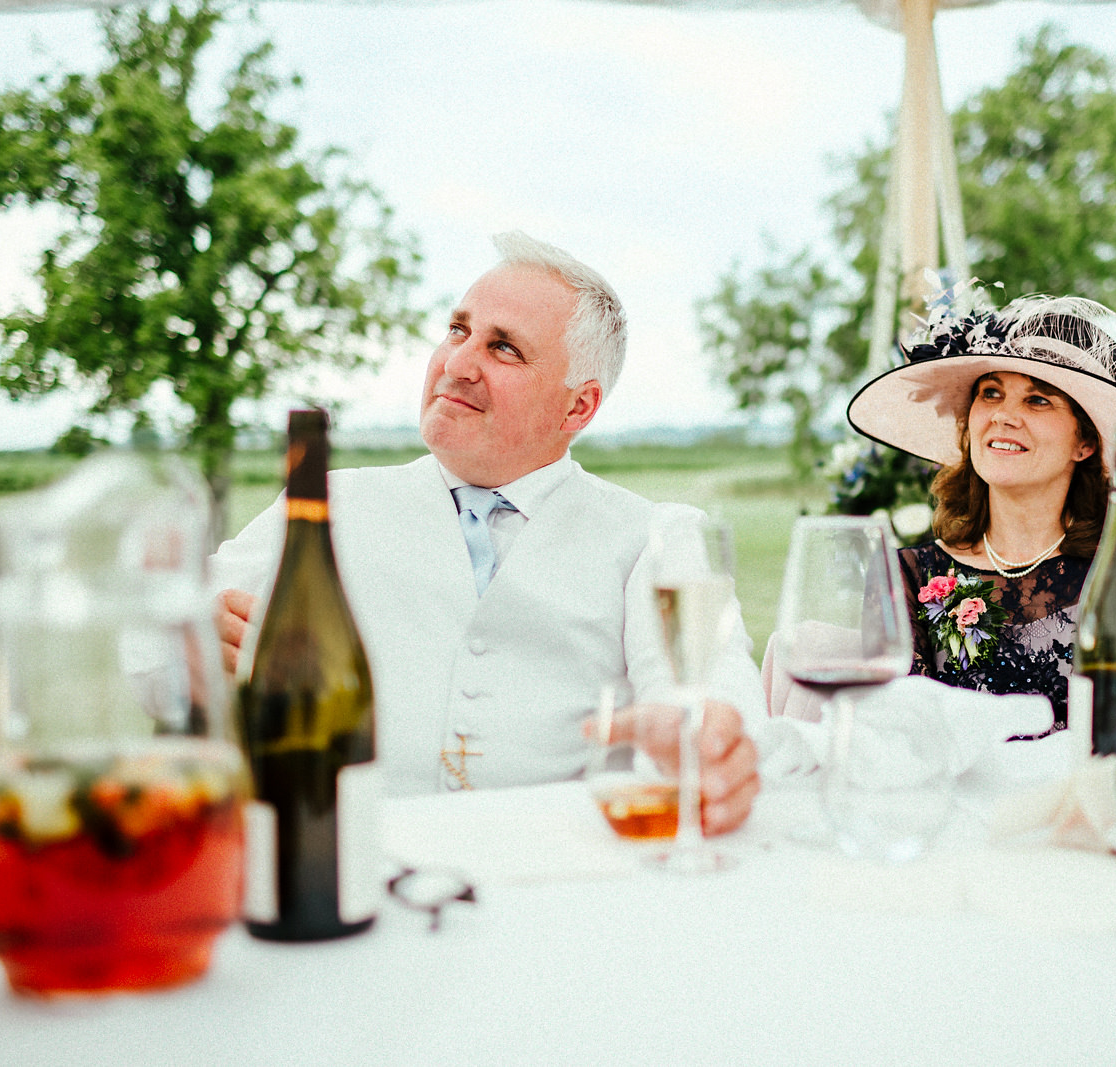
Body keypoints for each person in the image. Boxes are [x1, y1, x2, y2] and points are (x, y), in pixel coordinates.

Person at [211, 232, 762, 834]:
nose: (456, 364)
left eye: (504, 349)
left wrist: (710, 734)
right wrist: (195, 642)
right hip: (351, 861)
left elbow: (710, 687)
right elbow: (157, 652)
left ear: (577, 408)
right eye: (457, 330)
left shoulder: (656, 535)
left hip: (559, 872)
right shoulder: (326, 505)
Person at [845, 292, 1116, 737]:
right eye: (991, 393)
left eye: (1037, 401)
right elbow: (895, 739)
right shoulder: (905, 577)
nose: (1002, 416)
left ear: (1086, 443)